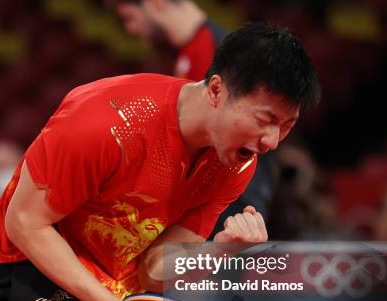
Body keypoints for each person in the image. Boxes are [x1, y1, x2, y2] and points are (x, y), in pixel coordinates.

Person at [0, 23, 320, 301]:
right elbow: (24, 224)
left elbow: (153, 271)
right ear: (217, 90)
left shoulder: (235, 165)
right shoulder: (106, 122)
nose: (271, 142)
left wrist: (220, 251)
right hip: (29, 275)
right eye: (264, 119)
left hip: (119, 287)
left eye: (285, 127)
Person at [114, 0, 276, 239]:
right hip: (208, 194)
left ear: (155, 3)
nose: (131, 29)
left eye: (129, 17)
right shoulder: (190, 51)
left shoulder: (220, 51)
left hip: (229, 198)